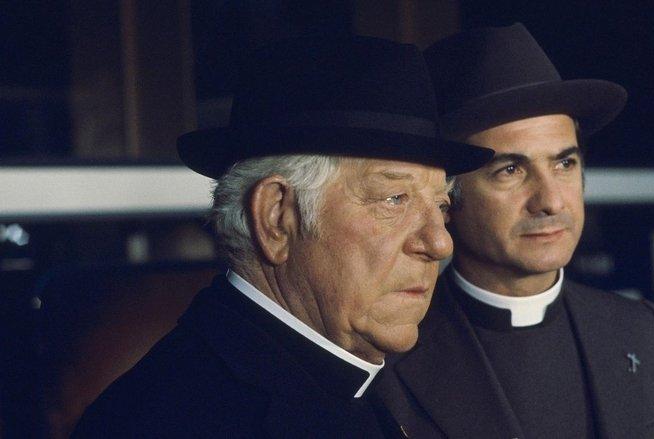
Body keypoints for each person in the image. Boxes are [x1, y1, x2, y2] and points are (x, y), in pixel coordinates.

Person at [71, 35, 492, 438]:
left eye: (440, 206)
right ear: (276, 218)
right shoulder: (170, 420)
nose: (440, 243)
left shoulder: (344, 382)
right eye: (394, 199)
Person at [376, 23, 654, 438]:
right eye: (511, 170)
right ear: (447, 198)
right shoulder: (390, 352)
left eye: (564, 164)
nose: (550, 201)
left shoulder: (640, 330)